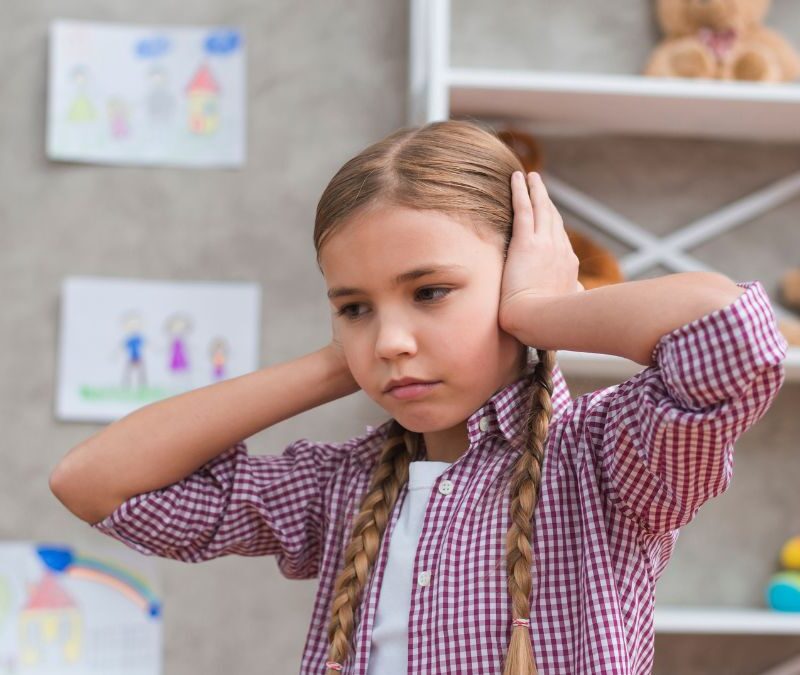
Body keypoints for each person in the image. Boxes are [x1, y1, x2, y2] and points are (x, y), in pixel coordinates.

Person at [49, 120, 789, 674]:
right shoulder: (341, 485)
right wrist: (338, 363)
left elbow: (731, 337)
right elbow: (94, 482)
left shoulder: (605, 459)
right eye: (355, 304)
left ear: (511, 275)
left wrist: (535, 309)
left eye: (429, 291)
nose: (392, 339)